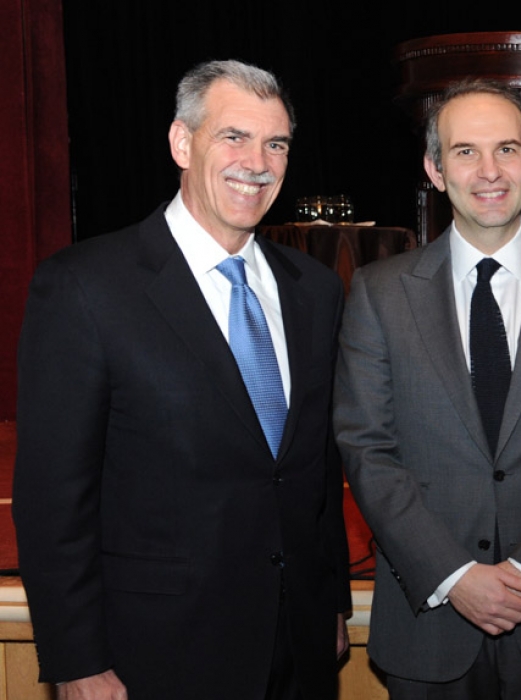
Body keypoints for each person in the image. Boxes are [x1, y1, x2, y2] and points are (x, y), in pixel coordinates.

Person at [13, 60, 351, 700]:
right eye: (234, 136)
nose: (257, 162)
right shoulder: (85, 287)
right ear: (181, 142)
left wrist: (330, 601)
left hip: (300, 646)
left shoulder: (315, 290)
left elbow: (313, 473)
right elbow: (53, 498)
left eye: (275, 143)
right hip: (153, 656)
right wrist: (75, 659)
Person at [332, 79, 521, 699]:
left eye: (506, 149)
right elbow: (367, 447)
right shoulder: (378, 292)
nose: (488, 171)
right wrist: (454, 575)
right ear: (434, 167)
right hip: (430, 623)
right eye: (465, 151)